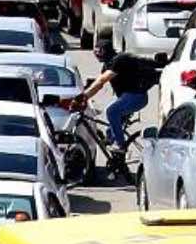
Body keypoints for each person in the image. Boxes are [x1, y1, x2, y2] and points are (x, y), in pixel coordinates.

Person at [70, 42, 163, 174]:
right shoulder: (108, 64)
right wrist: (85, 94)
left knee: (111, 111)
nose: (97, 54)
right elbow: (98, 83)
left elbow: (101, 81)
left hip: (136, 97)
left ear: (106, 50)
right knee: (111, 130)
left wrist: (83, 97)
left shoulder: (118, 61)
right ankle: (117, 158)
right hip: (127, 97)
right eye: (95, 51)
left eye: (99, 51)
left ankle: (121, 146)